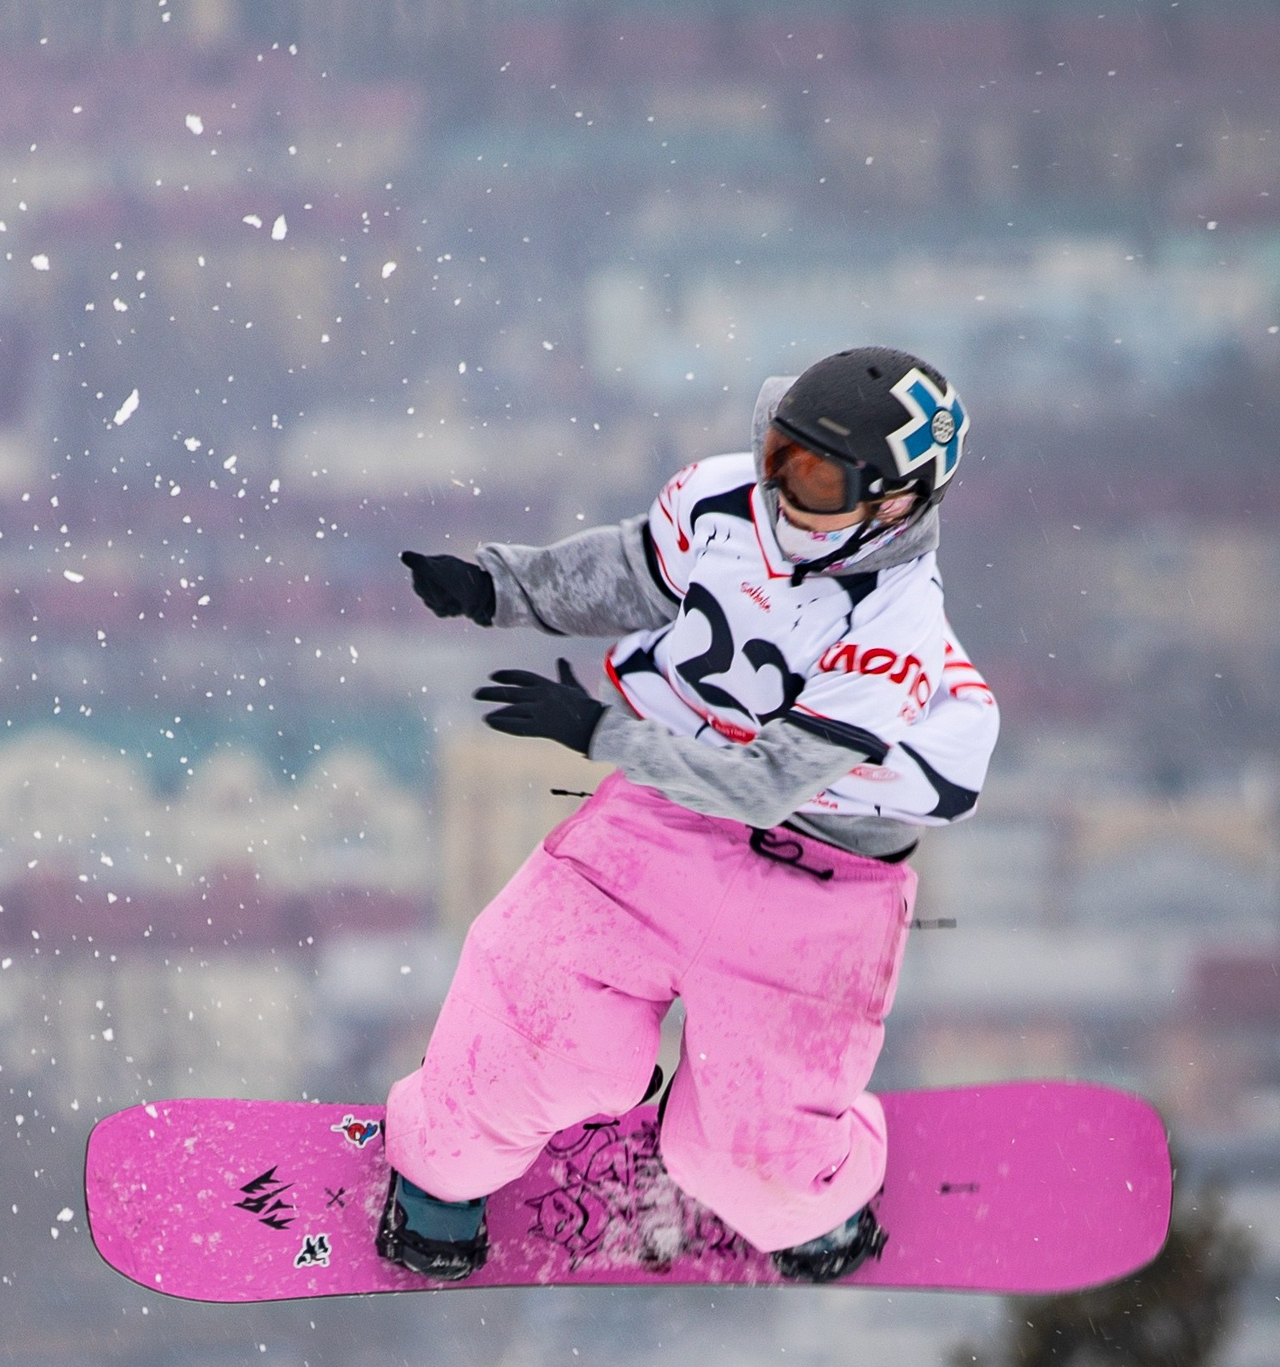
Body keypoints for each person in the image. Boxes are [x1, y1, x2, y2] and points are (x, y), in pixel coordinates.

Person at [382, 346, 996, 1283]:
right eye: (781, 457)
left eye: (820, 481)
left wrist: (600, 733)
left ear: (896, 504)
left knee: (757, 1157)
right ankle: (449, 1160)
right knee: (535, 1009)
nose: (787, 493)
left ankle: (807, 1189)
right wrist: (499, 589)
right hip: (660, 823)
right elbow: (633, 571)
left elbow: (766, 782)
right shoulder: (726, 502)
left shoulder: (893, 631)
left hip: (820, 877)